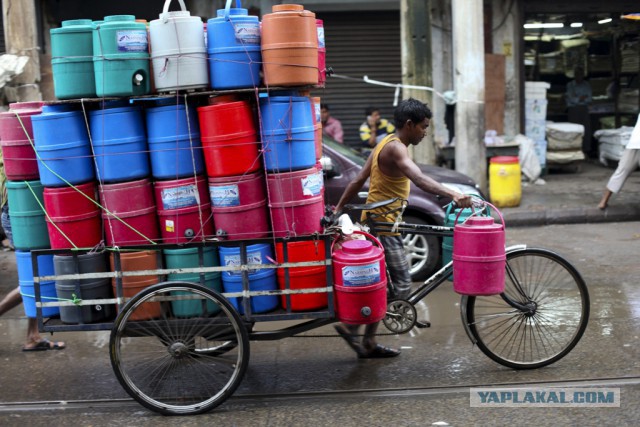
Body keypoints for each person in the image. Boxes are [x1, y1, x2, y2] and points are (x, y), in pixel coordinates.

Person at [333, 98, 472, 358]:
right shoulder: (396, 149)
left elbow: (359, 179)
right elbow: (419, 178)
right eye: (423, 127)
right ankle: (353, 327)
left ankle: (367, 341)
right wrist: (453, 194)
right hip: (383, 224)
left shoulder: (383, 142)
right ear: (409, 124)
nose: (425, 132)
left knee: (384, 283)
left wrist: (339, 207)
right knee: (403, 285)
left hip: (381, 221)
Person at [0, 155, 65, 352]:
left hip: (27, 212)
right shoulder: (16, 151)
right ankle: (32, 336)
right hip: (22, 215)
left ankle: (33, 336)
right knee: (33, 280)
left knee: (36, 278)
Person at [598, 113, 640, 209]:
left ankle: (603, 202)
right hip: (635, 143)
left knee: (620, 172)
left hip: (633, 144)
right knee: (620, 172)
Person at [565, 66, 594, 157]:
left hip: (584, 109)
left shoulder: (586, 85)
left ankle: (586, 151)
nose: (578, 76)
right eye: (576, 74)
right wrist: (581, 98)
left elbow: (589, 98)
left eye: (580, 74)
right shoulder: (570, 85)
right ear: (574, 75)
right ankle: (574, 150)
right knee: (574, 130)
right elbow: (571, 99)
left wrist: (577, 98)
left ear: (583, 75)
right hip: (573, 109)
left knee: (586, 130)